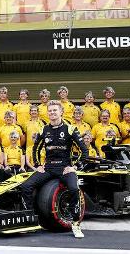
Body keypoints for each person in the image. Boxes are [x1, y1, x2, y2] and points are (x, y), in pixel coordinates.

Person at [21, 100, 88, 238]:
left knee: (74, 189)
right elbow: (36, 148)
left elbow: (84, 151)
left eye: (54, 110)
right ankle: (30, 220)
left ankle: (75, 224)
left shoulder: (70, 129)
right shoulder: (44, 129)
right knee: (26, 186)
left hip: (64, 168)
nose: (52, 113)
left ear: (61, 112)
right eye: (50, 110)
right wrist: (39, 165)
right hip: (48, 167)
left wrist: (74, 167)